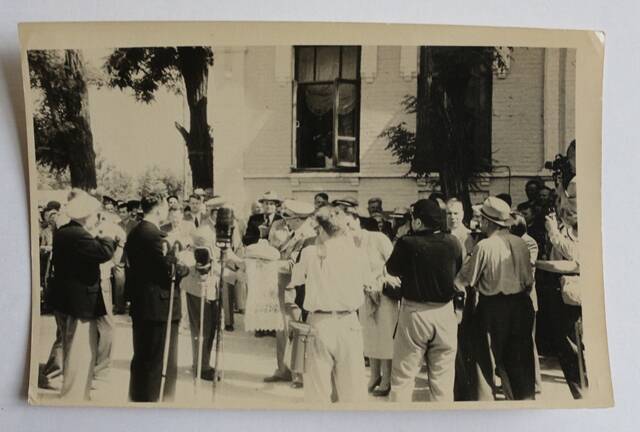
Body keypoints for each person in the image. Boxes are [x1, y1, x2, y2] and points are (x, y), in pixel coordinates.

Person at [454, 196, 536, 400]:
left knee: (484, 359)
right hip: (521, 304)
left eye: (481, 219)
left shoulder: (484, 246)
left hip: (494, 306)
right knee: (520, 359)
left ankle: (485, 403)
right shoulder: (521, 243)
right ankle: (523, 399)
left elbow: (467, 280)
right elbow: (529, 279)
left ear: (488, 222)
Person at [289, 205, 369, 403]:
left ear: (322, 230)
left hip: (320, 322)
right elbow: (368, 283)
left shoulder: (310, 252)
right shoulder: (358, 254)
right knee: (353, 392)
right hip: (349, 322)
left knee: (317, 392)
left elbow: (295, 280)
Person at [386, 199, 462, 402]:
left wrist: (399, 238)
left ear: (418, 222)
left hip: (415, 312)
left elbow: (392, 269)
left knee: (403, 377)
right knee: (443, 380)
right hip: (445, 312)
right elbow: (458, 268)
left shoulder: (407, 243)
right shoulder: (453, 242)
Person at [49, 190, 117, 401]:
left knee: (71, 346)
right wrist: (106, 233)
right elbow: (104, 253)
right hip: (79, 302)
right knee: (80, 350)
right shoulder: (79, 235)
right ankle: (74, 395)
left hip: (66, 299)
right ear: (87, 215)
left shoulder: (63, 232)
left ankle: (73, 392)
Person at [126, 193, 186, 402]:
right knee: (158, 360)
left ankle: (138, 398)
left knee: (142, 357)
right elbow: (169, 272)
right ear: (159, 209)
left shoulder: (135, 231)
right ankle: (156, 403)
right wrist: (183, 265)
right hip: (158, 307)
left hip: (142, 303)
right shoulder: (156, 236)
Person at [339, 200, 399, 397]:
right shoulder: (345, 244)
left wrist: (382, 279)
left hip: (384, 294)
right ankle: (374, 375)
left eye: (349, 223)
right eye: (342, 225)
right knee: (369, 336)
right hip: (363, 295)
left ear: (358, 220)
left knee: (385, 335)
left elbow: (395, 265)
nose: (346, 228)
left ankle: (388, 378)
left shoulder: (377, 238)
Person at [262, 199, 316, 388]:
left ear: (300, 219)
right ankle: (283, 369)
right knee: (281, 330)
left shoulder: (307, 237)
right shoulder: (296, 233)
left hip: (294, 290)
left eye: (290, 218)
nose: (287, 222)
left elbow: (295, 266)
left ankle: (298, 375)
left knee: (296, 331)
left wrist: (268, 264)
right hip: (282, 287)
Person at [536, 201, 584, 399]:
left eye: (573, 211)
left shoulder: (583, 231)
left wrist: (553, 232)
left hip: (576, 294)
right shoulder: (564, 230)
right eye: (567, 210)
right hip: (561, 293)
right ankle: (580, 392)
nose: (568, 214)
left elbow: (576, 256)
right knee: (567, 346)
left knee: (576, 347)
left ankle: (584, 393)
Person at [92, 211, 126, 385]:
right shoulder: (106, 230)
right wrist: (120, 243)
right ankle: (101, 370)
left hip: (95, 281)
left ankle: (94, 367)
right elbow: (113, 261)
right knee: (107, 326)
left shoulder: (90, 228)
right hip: (101, 280)